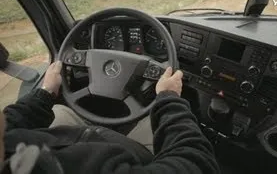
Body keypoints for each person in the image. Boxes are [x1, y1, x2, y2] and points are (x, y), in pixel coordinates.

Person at [0, 61, 220, 174]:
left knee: (60, 111)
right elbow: (196, 165)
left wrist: (46, 92)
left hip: (78, 142)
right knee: (150, 120)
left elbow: (10, 123)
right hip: (127, 161)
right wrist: (168, 98)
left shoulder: (7, 146)